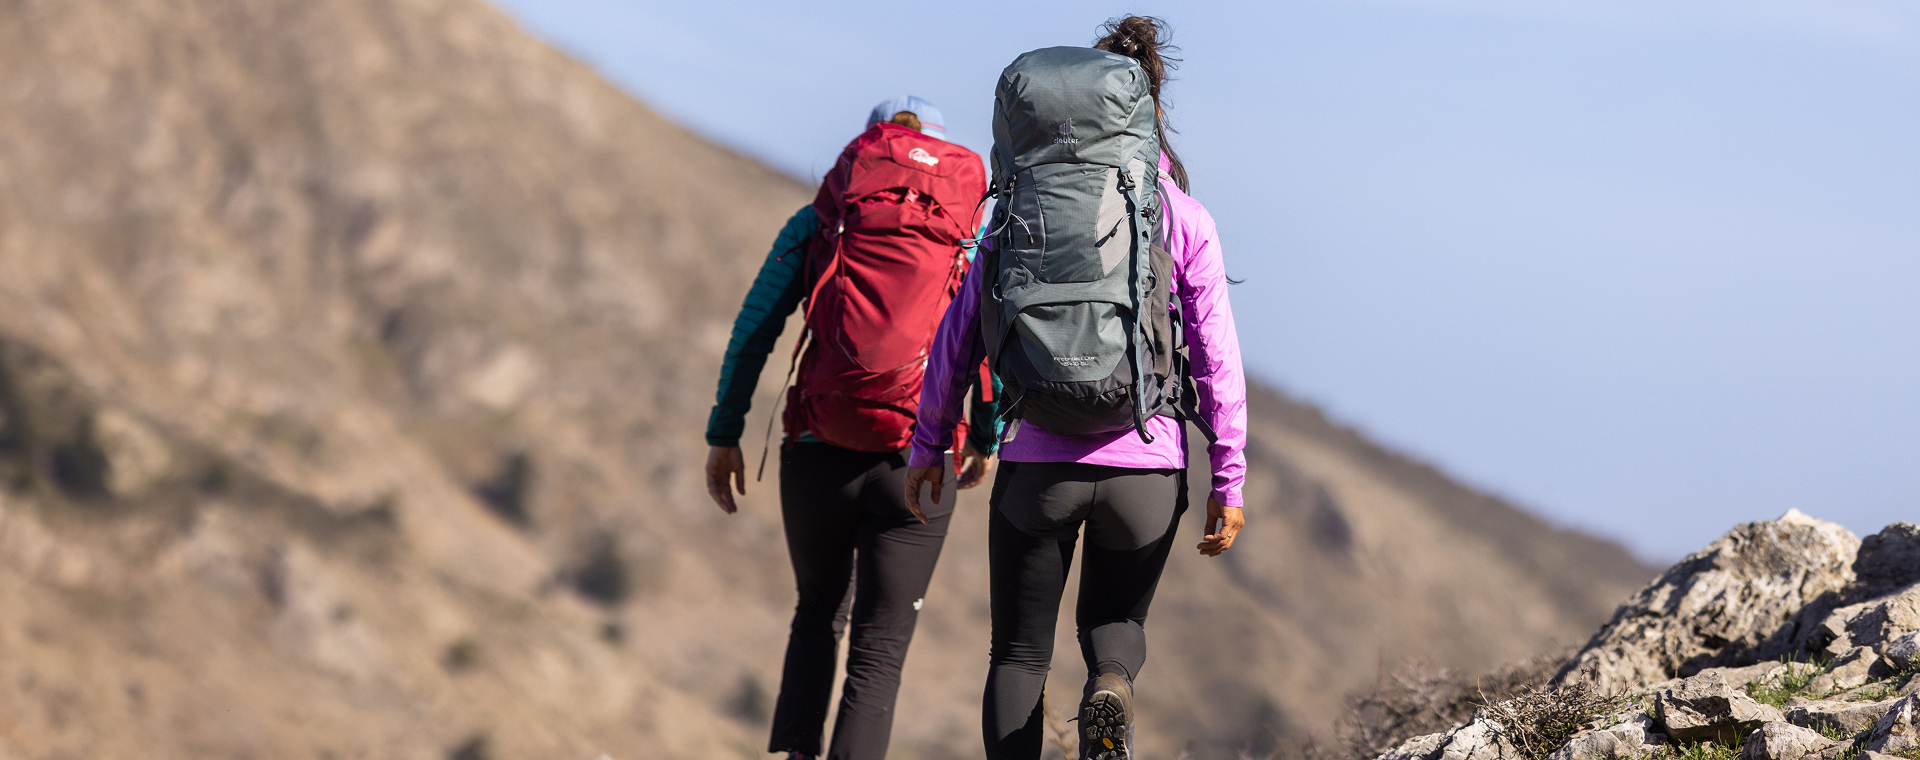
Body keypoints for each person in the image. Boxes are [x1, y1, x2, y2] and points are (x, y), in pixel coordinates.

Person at [902, 17, 1248, 760]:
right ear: (1148, 115)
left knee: (1019, 656)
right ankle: (1111, 688)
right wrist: (1230, 476)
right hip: (1147, 472)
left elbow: (957, 336)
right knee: (1114, 633)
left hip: (1038, 469)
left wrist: (928, 444)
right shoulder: (1181, 217)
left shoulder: (1017, 211)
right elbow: (1218, 355)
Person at [705, 96, 1001, 760]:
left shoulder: (821, 221)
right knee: (881, 647)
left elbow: (755, 329)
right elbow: (985, 341)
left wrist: (724, 432)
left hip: (816, 449)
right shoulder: (965, 235)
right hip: (918, 465)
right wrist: (986, 434)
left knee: (816, 616)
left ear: (870, 145)